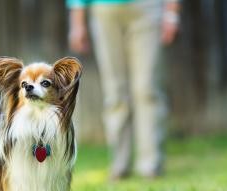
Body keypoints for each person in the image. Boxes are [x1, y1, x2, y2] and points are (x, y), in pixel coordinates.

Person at [67, 0, 181, 179]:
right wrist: (77, 21)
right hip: (105, 9)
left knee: (147, 89)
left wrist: (172, 13)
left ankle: (151, 164)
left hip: (148, 7)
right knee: (114, 91)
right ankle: (120, 164)